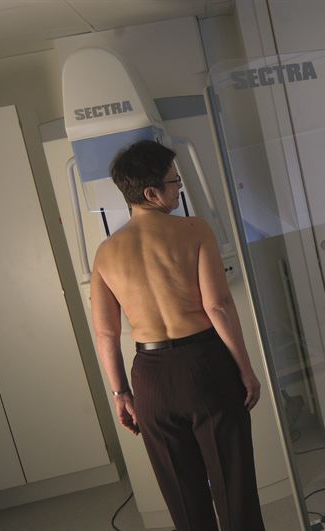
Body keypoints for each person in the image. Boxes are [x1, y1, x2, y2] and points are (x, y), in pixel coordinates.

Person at [91, 139, 265, 531]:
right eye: (174, 181)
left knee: (184, 498)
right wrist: (246, 369)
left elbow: (105, 332)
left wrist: (120, 393)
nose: (179, 188)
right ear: (151, 193)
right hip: (204, 366)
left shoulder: (106, 252)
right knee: (234, 485)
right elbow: (218, 306)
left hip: (150, 378)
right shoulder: (194, 230)